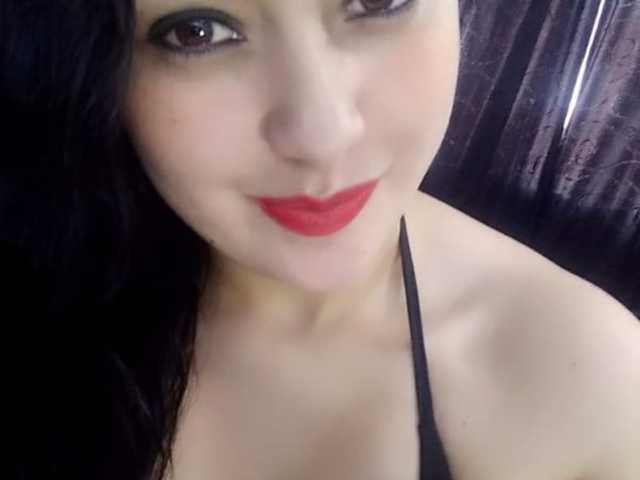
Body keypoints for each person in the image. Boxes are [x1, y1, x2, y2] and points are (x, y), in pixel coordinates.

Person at [3, 1, 639, 479]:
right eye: (197, 31)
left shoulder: (590, 386)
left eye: (377, 1)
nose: (322, 134)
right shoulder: (44, 253)